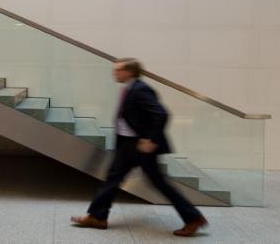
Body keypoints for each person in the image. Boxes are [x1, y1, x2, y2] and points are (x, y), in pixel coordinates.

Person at [70, 58, 208, 237]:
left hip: (141, 147)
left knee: (159, 183)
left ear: (129, 71)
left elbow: (161, 114)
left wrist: (150, 139)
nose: (115, 73)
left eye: (118, 70)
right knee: (112, 179)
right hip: (126, 145)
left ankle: (193, 218)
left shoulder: (141, 90)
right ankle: (97, 217)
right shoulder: (129, 88)